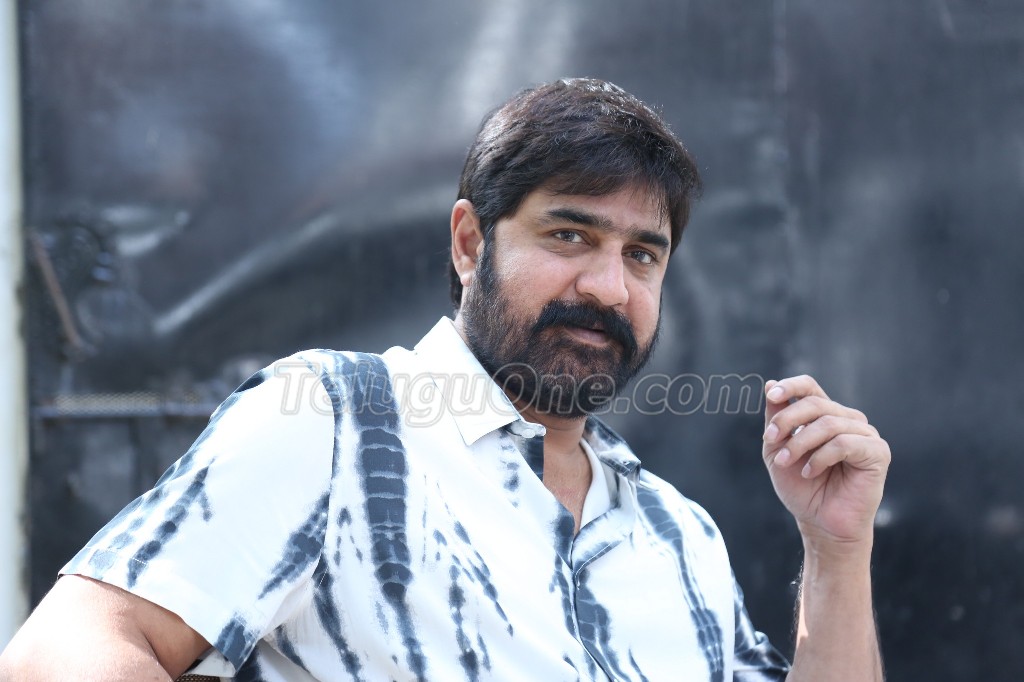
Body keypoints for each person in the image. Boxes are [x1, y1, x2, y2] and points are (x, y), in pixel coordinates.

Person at [0, 78, 889, 681]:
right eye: (569, 235)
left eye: (642, 255)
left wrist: (837, 553)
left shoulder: (677, 536)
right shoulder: (336, 424)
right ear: (470, 243)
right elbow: (66, 652)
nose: (608, 287)